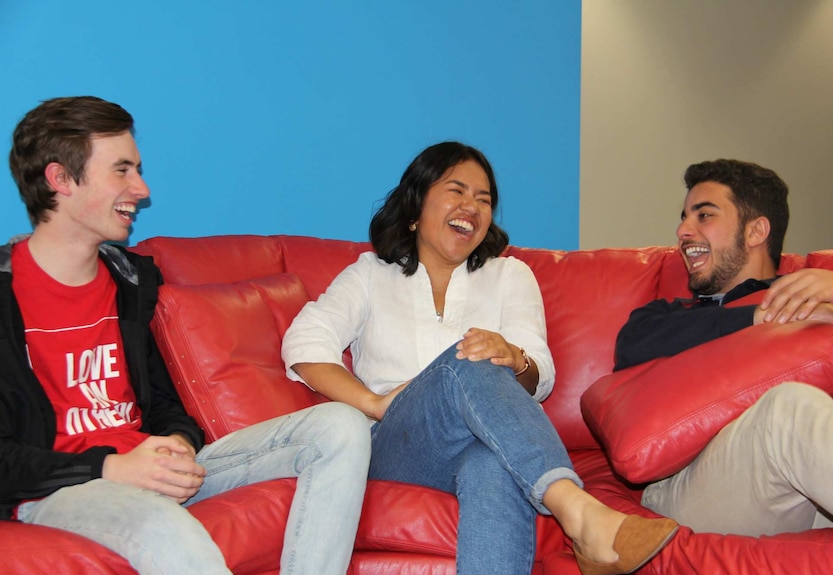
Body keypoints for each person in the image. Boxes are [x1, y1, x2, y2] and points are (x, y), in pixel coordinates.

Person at [1, 96, 370, 575]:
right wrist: (110, 467)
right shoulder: (7, 296)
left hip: (149, 465)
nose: (141, 187)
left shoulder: (131, 282)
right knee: (161, 526)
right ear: (60, 180)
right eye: (122, 170)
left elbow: (165, 405)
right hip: (61, 489)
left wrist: (176, 440)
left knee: (340, 425)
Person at [282, 141, 678, 575]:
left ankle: (577, 513)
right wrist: (373, 404)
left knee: (492, 462)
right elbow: (305, 340)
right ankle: (578, 511)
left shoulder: (510, 275)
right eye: (457, 191)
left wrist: (513, 357)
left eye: (484, 199)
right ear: (415, 210)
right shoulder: (371, 275)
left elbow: (540, 374)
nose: (472, 205)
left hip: (478, 447)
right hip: (393, 447)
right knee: (468, 359)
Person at [614, 158, 833, 537]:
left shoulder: (825, 305)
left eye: (704, 216)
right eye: (684, 217)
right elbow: (630, 348)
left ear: (756, 231)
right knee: (789, 409)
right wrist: (759, 318)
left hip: (820, 491)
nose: (682, 230)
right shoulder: (667, 314)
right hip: (694, 488)